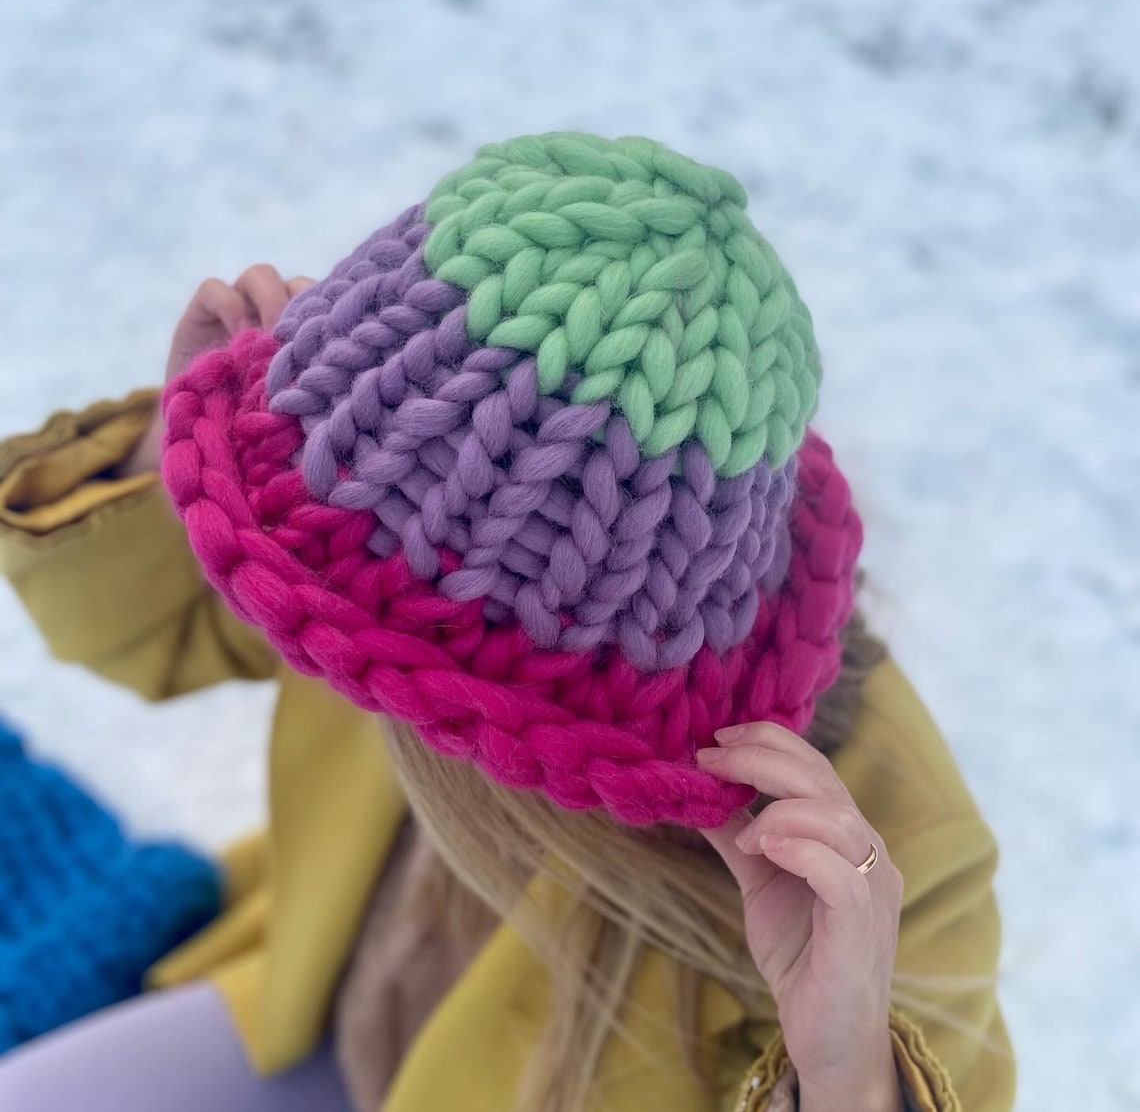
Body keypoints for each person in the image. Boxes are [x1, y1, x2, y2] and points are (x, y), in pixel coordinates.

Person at [0, 132, 1016, 1112]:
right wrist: (168, 479)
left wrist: (848, 1081)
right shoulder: (388, 563)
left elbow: (945, 1056)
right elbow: (150, 640)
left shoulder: (874, 847)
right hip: (313, 1016)